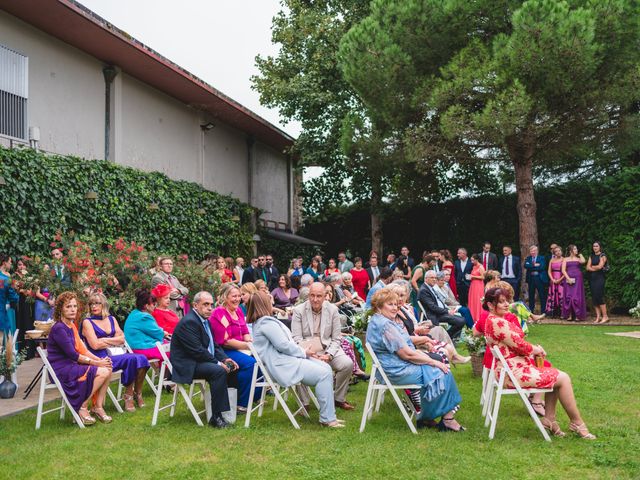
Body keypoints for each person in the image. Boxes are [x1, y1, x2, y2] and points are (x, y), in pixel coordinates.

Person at [482, 287, 596, 439]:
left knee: (555, 377)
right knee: (563, 378)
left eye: (507, 301)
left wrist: (509, 313)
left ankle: (549, 420)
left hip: (508, 369)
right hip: (513, 373)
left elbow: (518, 338)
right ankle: (576, 423)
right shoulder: (498, 323)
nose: (506, 304)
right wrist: (536, 349)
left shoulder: (493, 319)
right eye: (501, 302)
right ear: (490, 305)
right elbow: (521, 345)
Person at [367, 288, 464, 431]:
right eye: (390, 304)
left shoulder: (380, 320)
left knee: (438, 368)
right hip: (396, 370)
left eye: (395, 304)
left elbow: (405, 346)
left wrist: (424, 352)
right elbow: (407, 354)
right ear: (379, 306)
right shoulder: (385, 325)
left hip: (392, 366)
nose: (395, 308)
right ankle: (446, 419)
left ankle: (428, 417)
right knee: (443, 371)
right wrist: (433, 361)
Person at [249, 291, 344, 428]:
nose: (272, 303)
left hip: (286, 360)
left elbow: (284, 345)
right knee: (323, 374)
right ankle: (327, 419)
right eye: (270, 300)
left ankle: (329, 415)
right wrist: (304, 352)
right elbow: (283, 345)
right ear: (264, 303)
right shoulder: (265, 323)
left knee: (326, 368)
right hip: (282, 365)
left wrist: (304, 353)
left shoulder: (264, 322)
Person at [171, 291, 238, 428]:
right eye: (205, 304)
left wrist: (226, 359)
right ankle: (216, 417)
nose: (209, 308)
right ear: (195, 305)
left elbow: (214, 345)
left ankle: (228, 410)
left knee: (231, 368)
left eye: (211, 305)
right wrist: (219, 363)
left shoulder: (204, 321)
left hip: (198, 360)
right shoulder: (189, 322)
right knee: (218, 371)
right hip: (187, 364)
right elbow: (197, 351)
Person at [47, 292, 112, 425]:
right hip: (61, 369)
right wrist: (96, 362)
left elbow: (83, 350)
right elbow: (73, 355)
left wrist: (100, 361)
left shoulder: (71, 326)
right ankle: (82, 406)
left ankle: (98, 407)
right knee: (103, 371)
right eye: (68, 306)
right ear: (60, 309)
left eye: (75, 306)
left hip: (72, 365)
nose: (72, 309)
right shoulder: (59, 328)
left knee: (107, 368)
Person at [291, 283, 355, 411]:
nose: (315, 299)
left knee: (347, 364)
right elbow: (296, 339)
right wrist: (308, 353)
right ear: (308, 295)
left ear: (325, 296)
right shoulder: (299, 310)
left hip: (328, 347)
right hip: (307, 349)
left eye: (319, 296)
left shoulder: (332, 310)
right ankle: (304, 403)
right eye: (312, 296)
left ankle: (338, 398)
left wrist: (329, 354)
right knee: (298, 364)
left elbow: (337, 338)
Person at [82, 293, 150, 412]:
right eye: (91, 303)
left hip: (117, 354)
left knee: (142, 358)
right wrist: (114, 341)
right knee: (132, 359)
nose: (94, 306)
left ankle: (137, 393)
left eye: (97, 303)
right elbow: (95, 345)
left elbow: (122, 339)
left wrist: (104, 340)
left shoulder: (111, 319)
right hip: (100, 358)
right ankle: (128, 395)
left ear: (104, 304)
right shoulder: (87, 322)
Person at [391, 281, 469, 364]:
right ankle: (452, 357)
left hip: (420, 333)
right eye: (432, 278)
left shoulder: (405, 308)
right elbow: (432, 307)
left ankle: (454, 355)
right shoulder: (423, 291)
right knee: (444, 333)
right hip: (426, 326)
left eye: (403, 295)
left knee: (444, 330)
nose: (400, 298)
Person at [209, 283, 257, 412]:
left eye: (239, 295)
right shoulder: (220, 313)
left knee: (261, 359)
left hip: (240, 348)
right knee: (251, 363)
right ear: (225, 297)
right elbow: (226, 341)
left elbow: (245, 331)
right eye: (233, 296)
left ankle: (255, 397)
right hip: (224, 351)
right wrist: (249, 346)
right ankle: (241, 402)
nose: (237, 299)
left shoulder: (239, 311)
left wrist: (249, 342)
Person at [418, 270, 466, 340]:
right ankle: (447, 337)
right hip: (434, 315)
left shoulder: (430, 287)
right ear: (426, 279)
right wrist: (447, 311)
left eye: (435, 278)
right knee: (460, 321)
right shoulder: (424, 290)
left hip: (439, 312)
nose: (434, 279)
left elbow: (439, 302)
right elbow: (432, 307)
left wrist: (447, 309)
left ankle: (447, 337)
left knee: (462, 319)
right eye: (432, 278)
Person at [124, 289, 169, 362]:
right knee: (174, 350)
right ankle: (169, 373)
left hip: (134, 348)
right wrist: (164, 333)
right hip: (142, 349)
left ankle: (165, 372)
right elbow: (157, 332)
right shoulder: (144, 317)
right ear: (146, 306)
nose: (155, 307)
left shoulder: (134, 313)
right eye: (154, 304)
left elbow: (151, 330)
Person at [13, 257, 35, 358]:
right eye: (19, 265)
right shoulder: (15, 276)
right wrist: (22, 290)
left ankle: (29, 352)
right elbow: (16, 290)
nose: (21, 267)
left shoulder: (29, 277)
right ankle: (21, 351)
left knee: (28, 325)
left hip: (28, 304)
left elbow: (31, 292)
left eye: (23, 265)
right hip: (19, 303)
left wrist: (24, 289)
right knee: (20, 324)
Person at [561, 244, 587, 321]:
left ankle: (577, 315)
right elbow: (563, 270)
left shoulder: (578, 258)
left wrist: (581, 255)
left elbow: (583, 261)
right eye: (575, 249)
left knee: (577, 296)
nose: (576, 250)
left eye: (576, 249)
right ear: (571, 251)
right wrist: (568, 278)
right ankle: (569, 315)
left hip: (578, 279)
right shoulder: (565, 259)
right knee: (568, 296)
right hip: (568, 278)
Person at [587, 241, 608, 324]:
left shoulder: (603, 255)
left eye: (596, 246)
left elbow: (600, 267)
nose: (595, 247)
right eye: (594, 246)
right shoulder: (591, 256)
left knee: (599, 296)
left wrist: (592, 267)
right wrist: (594, 267)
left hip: (600, 278)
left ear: (600, 247)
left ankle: (605, 316)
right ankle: (598, 317)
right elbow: (587, 267)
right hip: (592, 279)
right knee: (594, 298)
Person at [524, 245, 549, 314]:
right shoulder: (528, 258)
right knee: (531, 295)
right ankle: (531, 311)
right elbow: (525, 265)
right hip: (531, 278)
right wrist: (535, 265)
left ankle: (543, 311)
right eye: (531, 251)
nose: (533, 252)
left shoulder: (542, 258)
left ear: (537, 251)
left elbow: (542, 267)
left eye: (534, 250)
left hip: (539, 278)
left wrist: (531, 266)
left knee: (542, 295)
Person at [0, 253, 19, 341]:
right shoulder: (7, 279)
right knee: (4, 336)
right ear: (4, 263)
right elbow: (13, 297)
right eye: (10, 262)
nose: (11, 264)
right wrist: (16, 290)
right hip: (3, 310)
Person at [546, 246, 565, 317]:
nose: (558, 252)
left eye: (559, 250)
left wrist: (560, 280)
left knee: (561, 295)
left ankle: (562, 313)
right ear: (554, 253)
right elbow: (549, 271)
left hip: (561, 280)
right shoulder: (552, 260)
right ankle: (553, 313)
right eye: (556, 251)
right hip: (553, 280)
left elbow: (565, 271)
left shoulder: (564, 259)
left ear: (561, 251)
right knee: (553, 295)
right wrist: (552, 279)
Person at [467, 253, 485, 322]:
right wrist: (469, 277)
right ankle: (472, 316)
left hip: (478, 285)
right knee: (472, 299)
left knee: (478, 300)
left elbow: (483, 277)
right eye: (471, 260)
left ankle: (478, 317)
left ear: (477, 260)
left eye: (473, 260)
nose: (471, 262)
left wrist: (473, 276)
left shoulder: (481, 267)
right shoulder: (474, 267)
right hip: (473, 285)